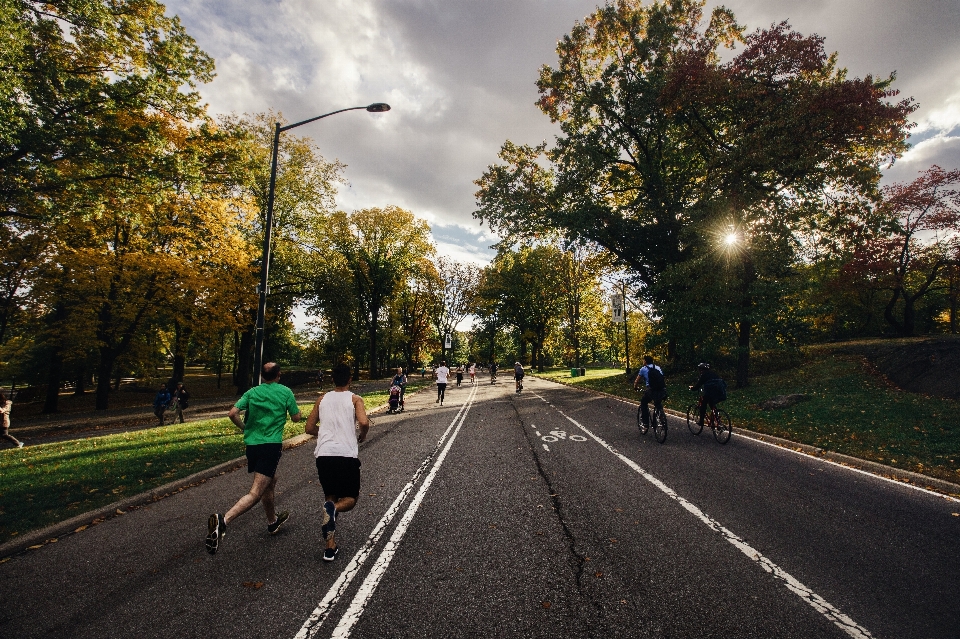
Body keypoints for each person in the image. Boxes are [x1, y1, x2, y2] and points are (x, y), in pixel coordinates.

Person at [205, 362, 302, 555]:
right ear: (279, 375)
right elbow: (296, 418)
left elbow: (232, 413)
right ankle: (223, 521)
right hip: (270, 446)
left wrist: (244, 428)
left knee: (271, 481)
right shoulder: (285, 392)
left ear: (262, 375)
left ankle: (272, 522)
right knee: (256, 492)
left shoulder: (252, 392)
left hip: (252, 445)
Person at [305, 363, 370, 562]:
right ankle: (334, 511)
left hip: (324, 455)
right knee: (350, 499)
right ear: (350, 379)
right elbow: (364, 422)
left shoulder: (322, 398)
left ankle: (329, 546)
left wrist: (324, 433)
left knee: (330, 496)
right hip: (345, 454)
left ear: (332, 379)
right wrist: (362, 435)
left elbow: (309, 427)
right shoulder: (355, 399)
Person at [633, 355, 666, 429]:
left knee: (644, 403)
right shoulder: (658, 367)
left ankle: (645, 423)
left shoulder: (643, 369)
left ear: (645, 361)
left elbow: (637, 381)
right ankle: (661, 418)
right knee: (658, 403)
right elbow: (662, 378)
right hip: (661, 389)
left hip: (651, 390)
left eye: (643, 360)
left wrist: (635, 387)